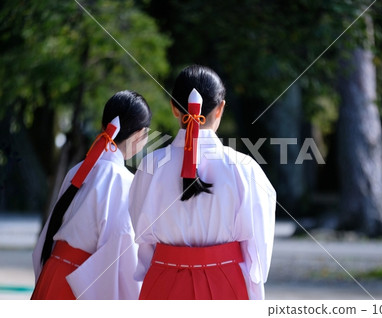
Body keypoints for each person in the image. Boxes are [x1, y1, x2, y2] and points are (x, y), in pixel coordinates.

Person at [129, 65, 276, 300]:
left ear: (174, 109)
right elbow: (257, 248)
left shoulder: (150, 165)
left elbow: (141, 233)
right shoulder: (244, 168)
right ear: (220, 109)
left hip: (164, 283)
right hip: (225, 284)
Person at [31, 90, 151, 300]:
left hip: (52, 275)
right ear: (140, 135)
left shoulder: (78, 170)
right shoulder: (122, 181)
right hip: (81, 288)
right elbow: (123, 250)